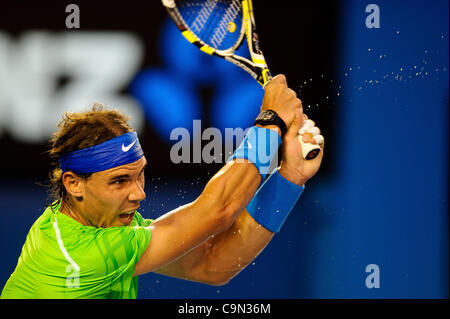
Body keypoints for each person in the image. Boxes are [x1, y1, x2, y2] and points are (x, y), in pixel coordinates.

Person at [1, 74, 324, 299]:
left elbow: (213, 264)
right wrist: (270, 122)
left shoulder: (105, 229)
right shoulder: (82, 255)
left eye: (139, 174)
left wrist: (289, 176)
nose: (139, 193)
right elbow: (219, 210)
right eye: (119, 181)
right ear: (73, 184)